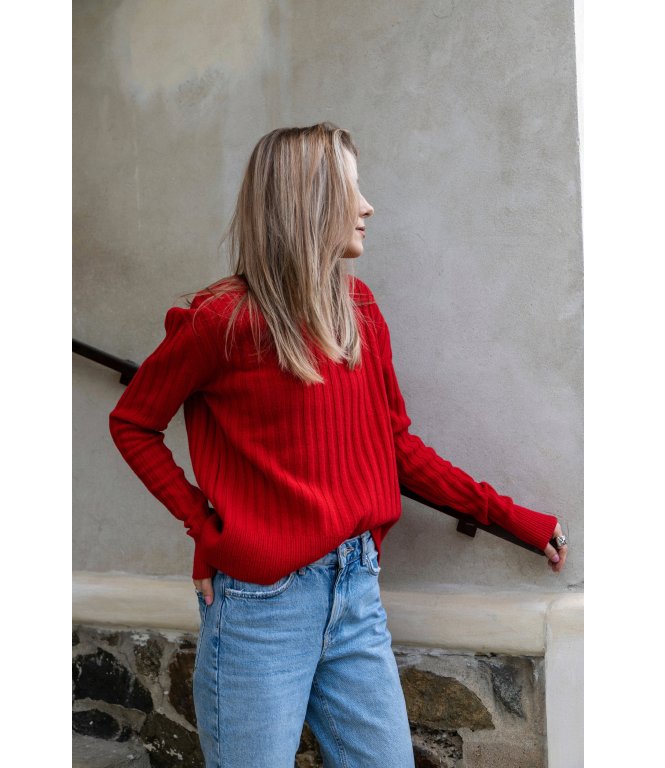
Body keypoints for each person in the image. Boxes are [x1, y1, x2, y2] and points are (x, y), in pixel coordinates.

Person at [109, 122, 568, 768]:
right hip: (261, 611)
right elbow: (133, 423)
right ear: (309, 201)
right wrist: (203, 526)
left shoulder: (360, 310)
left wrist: (512, 519)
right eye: (352, 189)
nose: (368, 207)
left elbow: (396, 450)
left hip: (356, 592)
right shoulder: (221, 322)